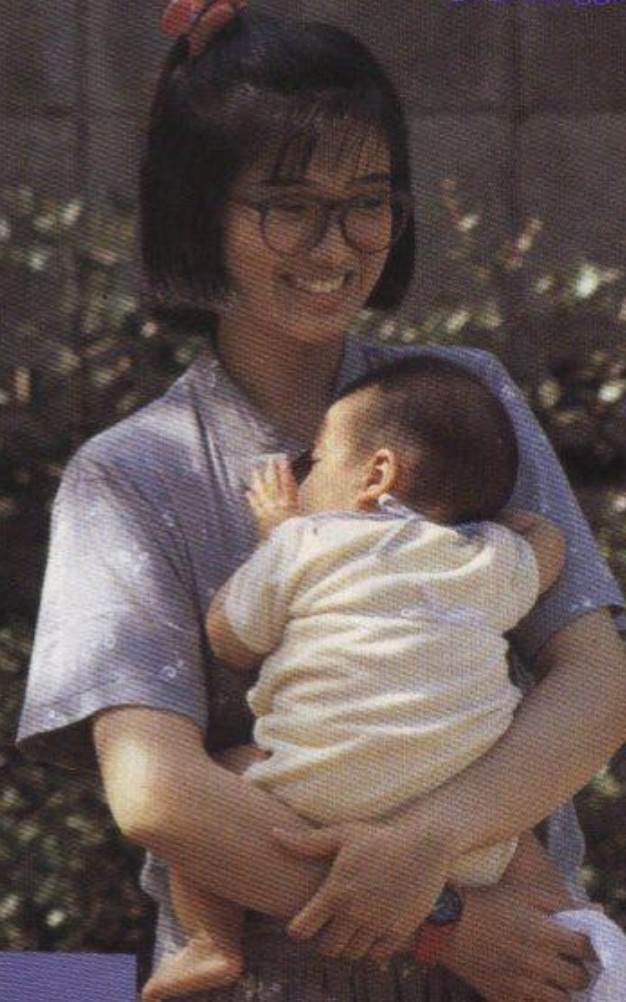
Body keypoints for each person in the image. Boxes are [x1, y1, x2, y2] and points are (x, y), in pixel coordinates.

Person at [15, 3, 626, 1001]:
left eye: (367, 200)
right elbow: (157, 792)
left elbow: (594, 683)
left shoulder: (464, 398)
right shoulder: (128, 477)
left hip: (518, 970)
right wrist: (441, 925)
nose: (334, 243)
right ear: (202, 210)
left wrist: (431, 838)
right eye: (287, 204)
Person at [142, 355, 573, 1001]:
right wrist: (501, 522)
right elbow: (550, 544)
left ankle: (211, 942)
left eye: (315, 461)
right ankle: (578, 931)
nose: (303, 477)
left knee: (216, 778)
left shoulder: (305, 542)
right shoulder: (488, 560)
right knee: (527, 853)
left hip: (313, 794)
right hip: (462, 808)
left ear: (375, 474)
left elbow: (229, 638)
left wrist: (277, 535)